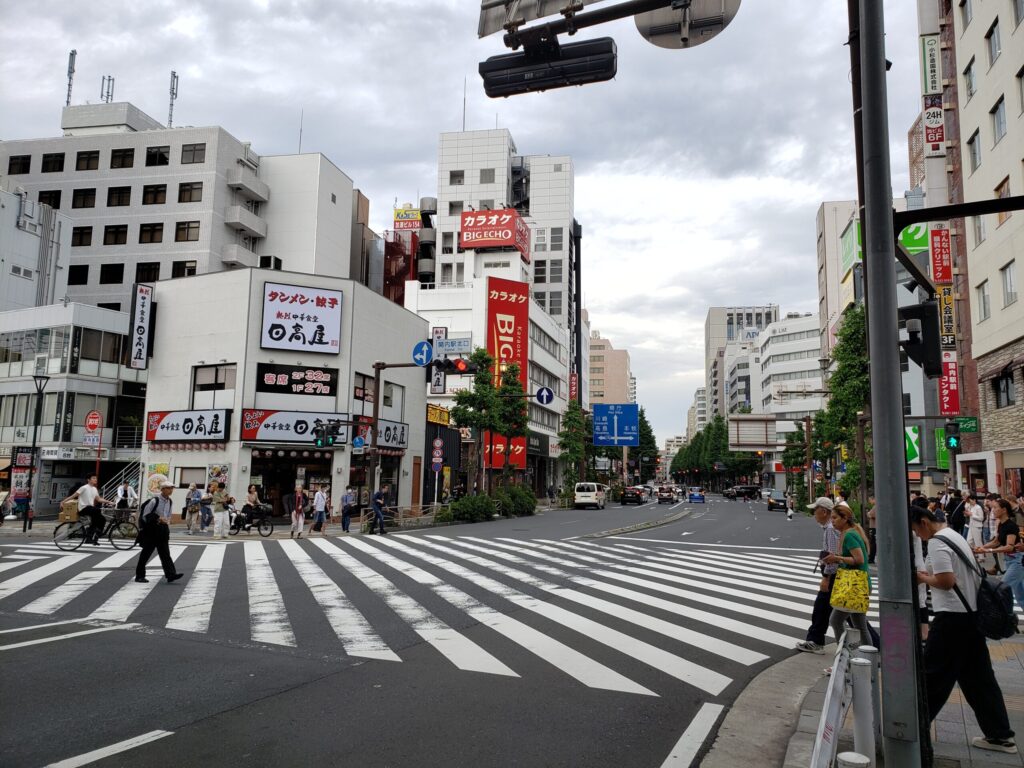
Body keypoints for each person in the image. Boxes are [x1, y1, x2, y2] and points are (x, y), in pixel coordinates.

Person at [911, 505, 1017, 754]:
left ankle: (913, 730)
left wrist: (922, 578)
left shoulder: (937, 542)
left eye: (917, 529)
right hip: (971, 617)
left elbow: (947, 582)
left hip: (951, 619)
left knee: (932, 678)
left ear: (924, 522)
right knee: (979, 680)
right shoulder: (954, 535)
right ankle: (1000, 735)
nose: (918, 535)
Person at [824, 502, 872, 646]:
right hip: (859, 584)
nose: (832, 521)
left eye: (835, 518)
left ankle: (844, 657)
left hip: (854, 585)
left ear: (845, 518)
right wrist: (835, 559)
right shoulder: (848, 532)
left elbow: (859, 559)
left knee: (836, 620)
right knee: (860, 625)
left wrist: (837, 558)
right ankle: (868, 658)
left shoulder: (850, 534)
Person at [796, 497, 839, 654]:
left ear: (824, 511)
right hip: (838, 576)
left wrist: (826, 578)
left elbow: (832, 557)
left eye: (815, 510)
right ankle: (875, 643)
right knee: (847, 613)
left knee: (822, 609)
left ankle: (815, 641)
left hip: (834, 576)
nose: (814, 514)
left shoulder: (830, 529)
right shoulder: (831, 527)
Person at [976, 498, 1024, 613]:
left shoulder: (1011, 526)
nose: (993, 510)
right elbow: (996, 541)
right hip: (1009, 561)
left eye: (995, 508)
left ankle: (1004, 619)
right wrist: (982, 548)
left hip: (1017, 561)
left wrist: (989, 550)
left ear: (1004, 510)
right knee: (1020, 596)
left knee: (1002, 588)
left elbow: (1009, 546)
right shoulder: (1001, 525)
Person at [135, 481, 184, 584]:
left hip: (163, 530)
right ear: (162, 489)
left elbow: (168, 515)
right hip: (152, 530)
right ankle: (139, 576)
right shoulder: (154, 500)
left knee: (165, 553)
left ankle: (171, 575)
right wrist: (158, 519)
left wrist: (166, 521)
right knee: (146, 554)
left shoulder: (170, 501)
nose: (171, 490)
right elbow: (145, 515)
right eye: (168, 488)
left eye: (172, 488)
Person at [62, 475, 114, 545]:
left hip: (90, 509)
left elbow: (99, 499)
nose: (95, 479)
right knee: (97, 511)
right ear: (88, 480)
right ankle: (90, 532)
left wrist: (109, 502)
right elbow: (73, 496)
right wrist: (63, 502)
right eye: (93, 478)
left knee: (103, 519)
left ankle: (96, 536)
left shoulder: (94, 489)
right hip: (83, 509)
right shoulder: (84, 488)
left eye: (96, 478)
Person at [866, 495, 877, 564]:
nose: (870, 501)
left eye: (870, 500)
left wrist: (868, 513)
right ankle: (871, 558)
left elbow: (871, 515)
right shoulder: (875, 506)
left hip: (874, 526)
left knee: (873, 543)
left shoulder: (875, 507)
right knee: (873, 542)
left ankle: (871, 558)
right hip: (874, 526)